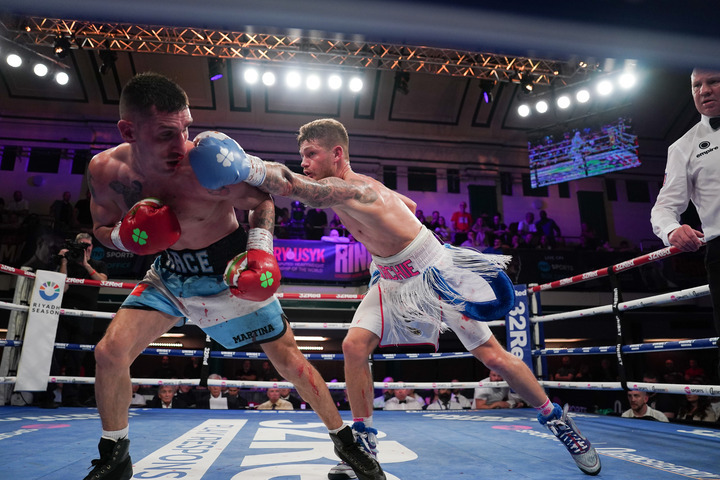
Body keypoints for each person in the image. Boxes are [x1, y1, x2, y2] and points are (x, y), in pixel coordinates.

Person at [191, 117, 601, 477]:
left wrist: (245, 165)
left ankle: (559, 421)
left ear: (337, 154)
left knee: (493, 357)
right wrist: (386, 247)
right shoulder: (363, 187)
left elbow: (300, 189)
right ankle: (365, 442)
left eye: (310, 154)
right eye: (302, 155)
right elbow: (410, 203)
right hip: (390, 276)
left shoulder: (356, 192)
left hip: (434, 273)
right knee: (353, 346)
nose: (304, 162)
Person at [82, 74, 383, 480]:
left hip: (230, 271)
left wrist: (259, 249)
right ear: (128, 130)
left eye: (186, 127)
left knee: (291, 364)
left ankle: (345, 441)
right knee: (109, 352)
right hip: (170, 274)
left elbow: (261, 200)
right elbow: (102, 226)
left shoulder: (204, 163)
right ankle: (114, 454)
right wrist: (124, 236)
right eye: (167, 134)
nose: (182, 143)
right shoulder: (105, 170)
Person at [650, 68, 720, 380]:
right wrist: (671, 229)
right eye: (697, 85)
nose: (704, 91)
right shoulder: (683, 146)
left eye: (714, 82)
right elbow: (664, 207)